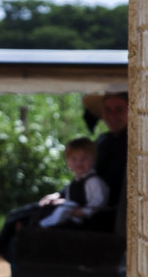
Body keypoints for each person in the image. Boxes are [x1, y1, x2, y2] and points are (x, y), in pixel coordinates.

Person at [36, 136, 109, 230]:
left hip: (88, 223)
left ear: (93, 160)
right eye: (74, 159)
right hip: (72, 217)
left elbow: (99, 201)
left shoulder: (94, 181)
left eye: (84, 159)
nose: (79, 163)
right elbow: (69, 200)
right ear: (68, 162)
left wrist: (83, 212)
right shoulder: (74, 182)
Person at [86, 89, 128, 232]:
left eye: (119, 109)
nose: (112, 115)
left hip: (109, 217)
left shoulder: (132, 144)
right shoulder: (103, 141)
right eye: (108, 110)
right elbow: (86, 173)